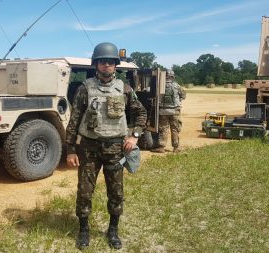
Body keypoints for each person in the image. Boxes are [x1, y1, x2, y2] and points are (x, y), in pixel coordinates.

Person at [66, 42, 147, 250]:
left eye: (110, 62)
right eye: (102, 62)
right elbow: (74, 121)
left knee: (116, 192)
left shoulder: (125, 89)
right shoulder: (85, 89)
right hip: (89, 149)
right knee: (84, 192)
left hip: (115, 150)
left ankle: (113, 230)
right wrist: (70, 150)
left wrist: (134, 136)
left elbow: (141, 113)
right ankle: (84, 230)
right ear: (96, 64)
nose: (106, 66)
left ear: (115, 65)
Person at [151, 69, 186, 153]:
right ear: (172, 76)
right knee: (175, 129)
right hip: (175, 111)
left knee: (163, 128)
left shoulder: (159, 86)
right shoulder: (177, 86)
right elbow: (183, 96)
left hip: (163, 111)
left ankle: (161, 147)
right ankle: (176, 147)